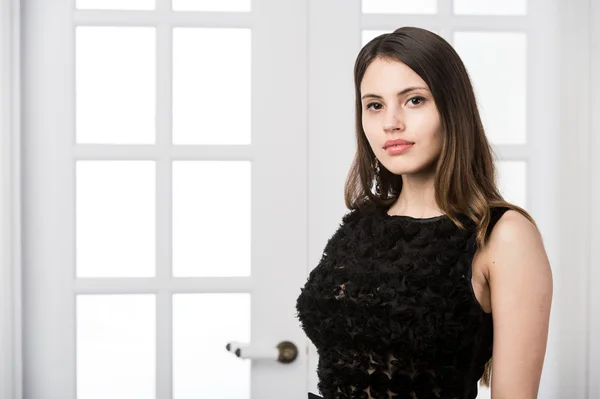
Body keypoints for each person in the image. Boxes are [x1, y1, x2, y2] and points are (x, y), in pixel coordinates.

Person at [295, 26, 553, 399]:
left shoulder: (503, 235)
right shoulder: (361, 223)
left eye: (414, 100)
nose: (391, 122)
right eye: (375, 105)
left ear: (453, 107)